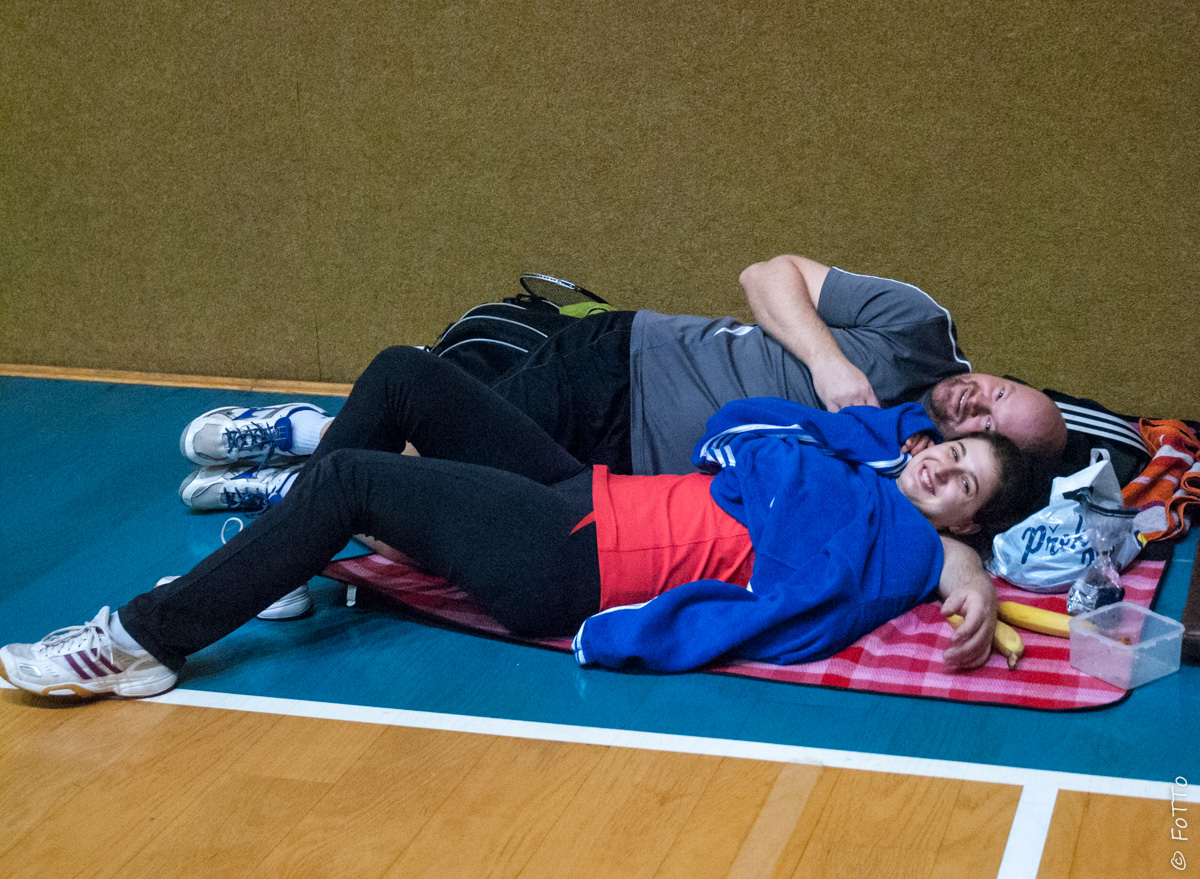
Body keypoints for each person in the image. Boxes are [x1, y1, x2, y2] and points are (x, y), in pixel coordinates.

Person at [0, 348, 1033, 701]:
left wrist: (950, 559)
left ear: (972, 524)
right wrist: (869, 460)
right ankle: (282, 566)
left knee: (351, 479)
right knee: (405, 375)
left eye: (962, 485)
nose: (941, 464)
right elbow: (733, 432)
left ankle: (141, 642)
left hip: (570, 563)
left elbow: (781, 523)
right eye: (953, 449)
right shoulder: (871, 461)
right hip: (583, 497)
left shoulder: (891, 539)